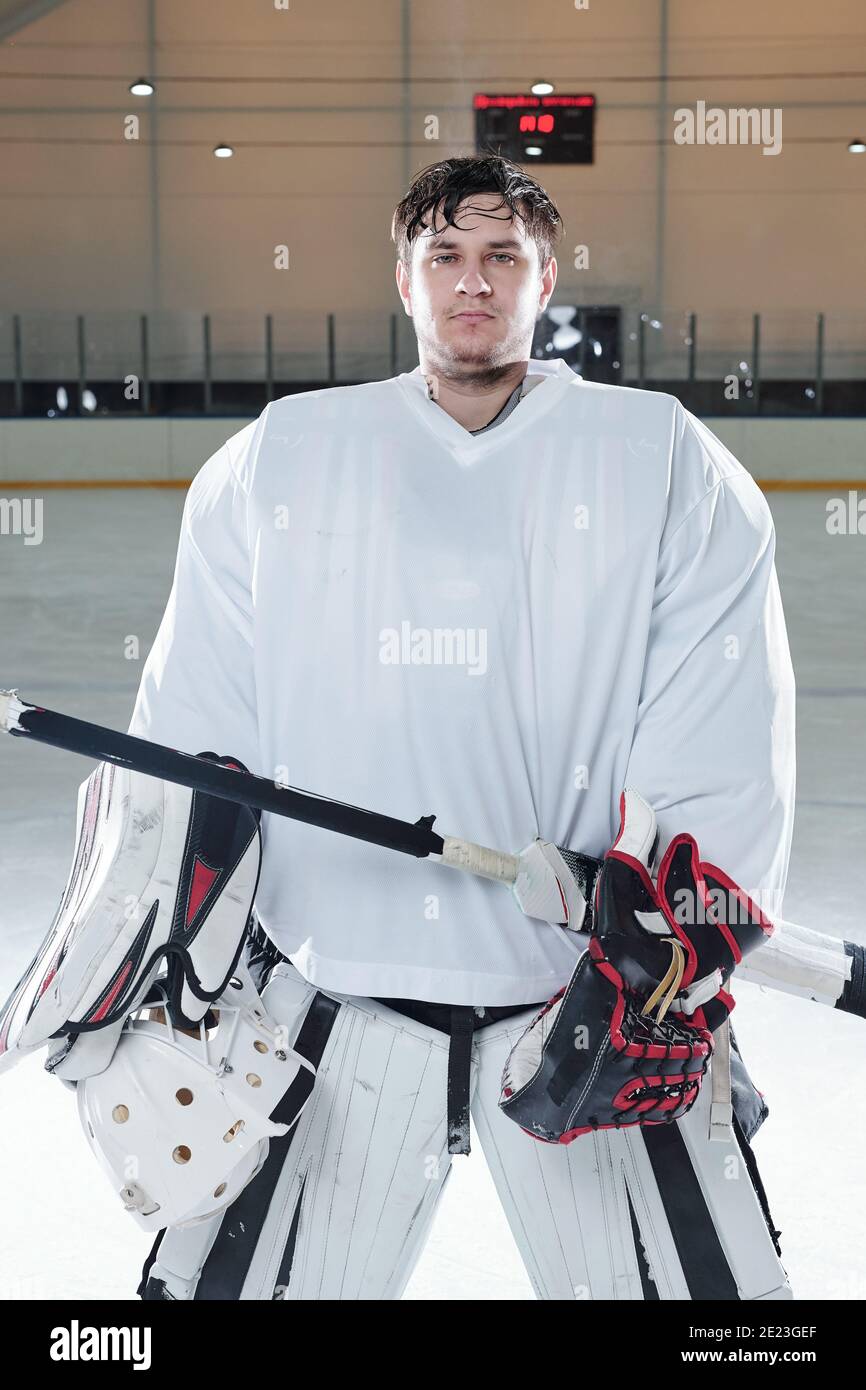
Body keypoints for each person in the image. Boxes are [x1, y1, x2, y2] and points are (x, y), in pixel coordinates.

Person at [130, 155, 796, 1300]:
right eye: (444, 255)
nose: (471, 282)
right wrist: (163, 947)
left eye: (500, 257)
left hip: (582, 1002)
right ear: (404, 280)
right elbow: (195, 727)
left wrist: (671, 934)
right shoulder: (280, 457)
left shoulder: (662, 455)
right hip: (323, 1003)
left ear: (545, 279)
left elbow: (718, 713)